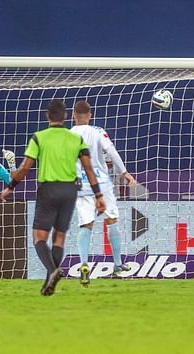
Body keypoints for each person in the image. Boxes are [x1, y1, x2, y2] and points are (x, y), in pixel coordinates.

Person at [1, 99, 106, 296]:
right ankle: (50, 281)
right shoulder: (76, 139)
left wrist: (11, 186)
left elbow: (25, 167)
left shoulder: (39, 137)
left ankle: (52, 270)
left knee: (39, 237)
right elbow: (89, 168)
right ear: (66, 116)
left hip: (48, 189)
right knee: (59, 238)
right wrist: (99, 195)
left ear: (47, 116)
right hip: (70, 191)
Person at [70, 100, 136, 287]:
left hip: (82, 183)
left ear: (74, 116)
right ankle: (117, 264)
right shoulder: (97, 131)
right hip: (102, 183)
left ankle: (84, 264)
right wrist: (124, 173)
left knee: (86, 224)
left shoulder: (68, 135)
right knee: (111, 220)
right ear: (90, 116)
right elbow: (111, 151)